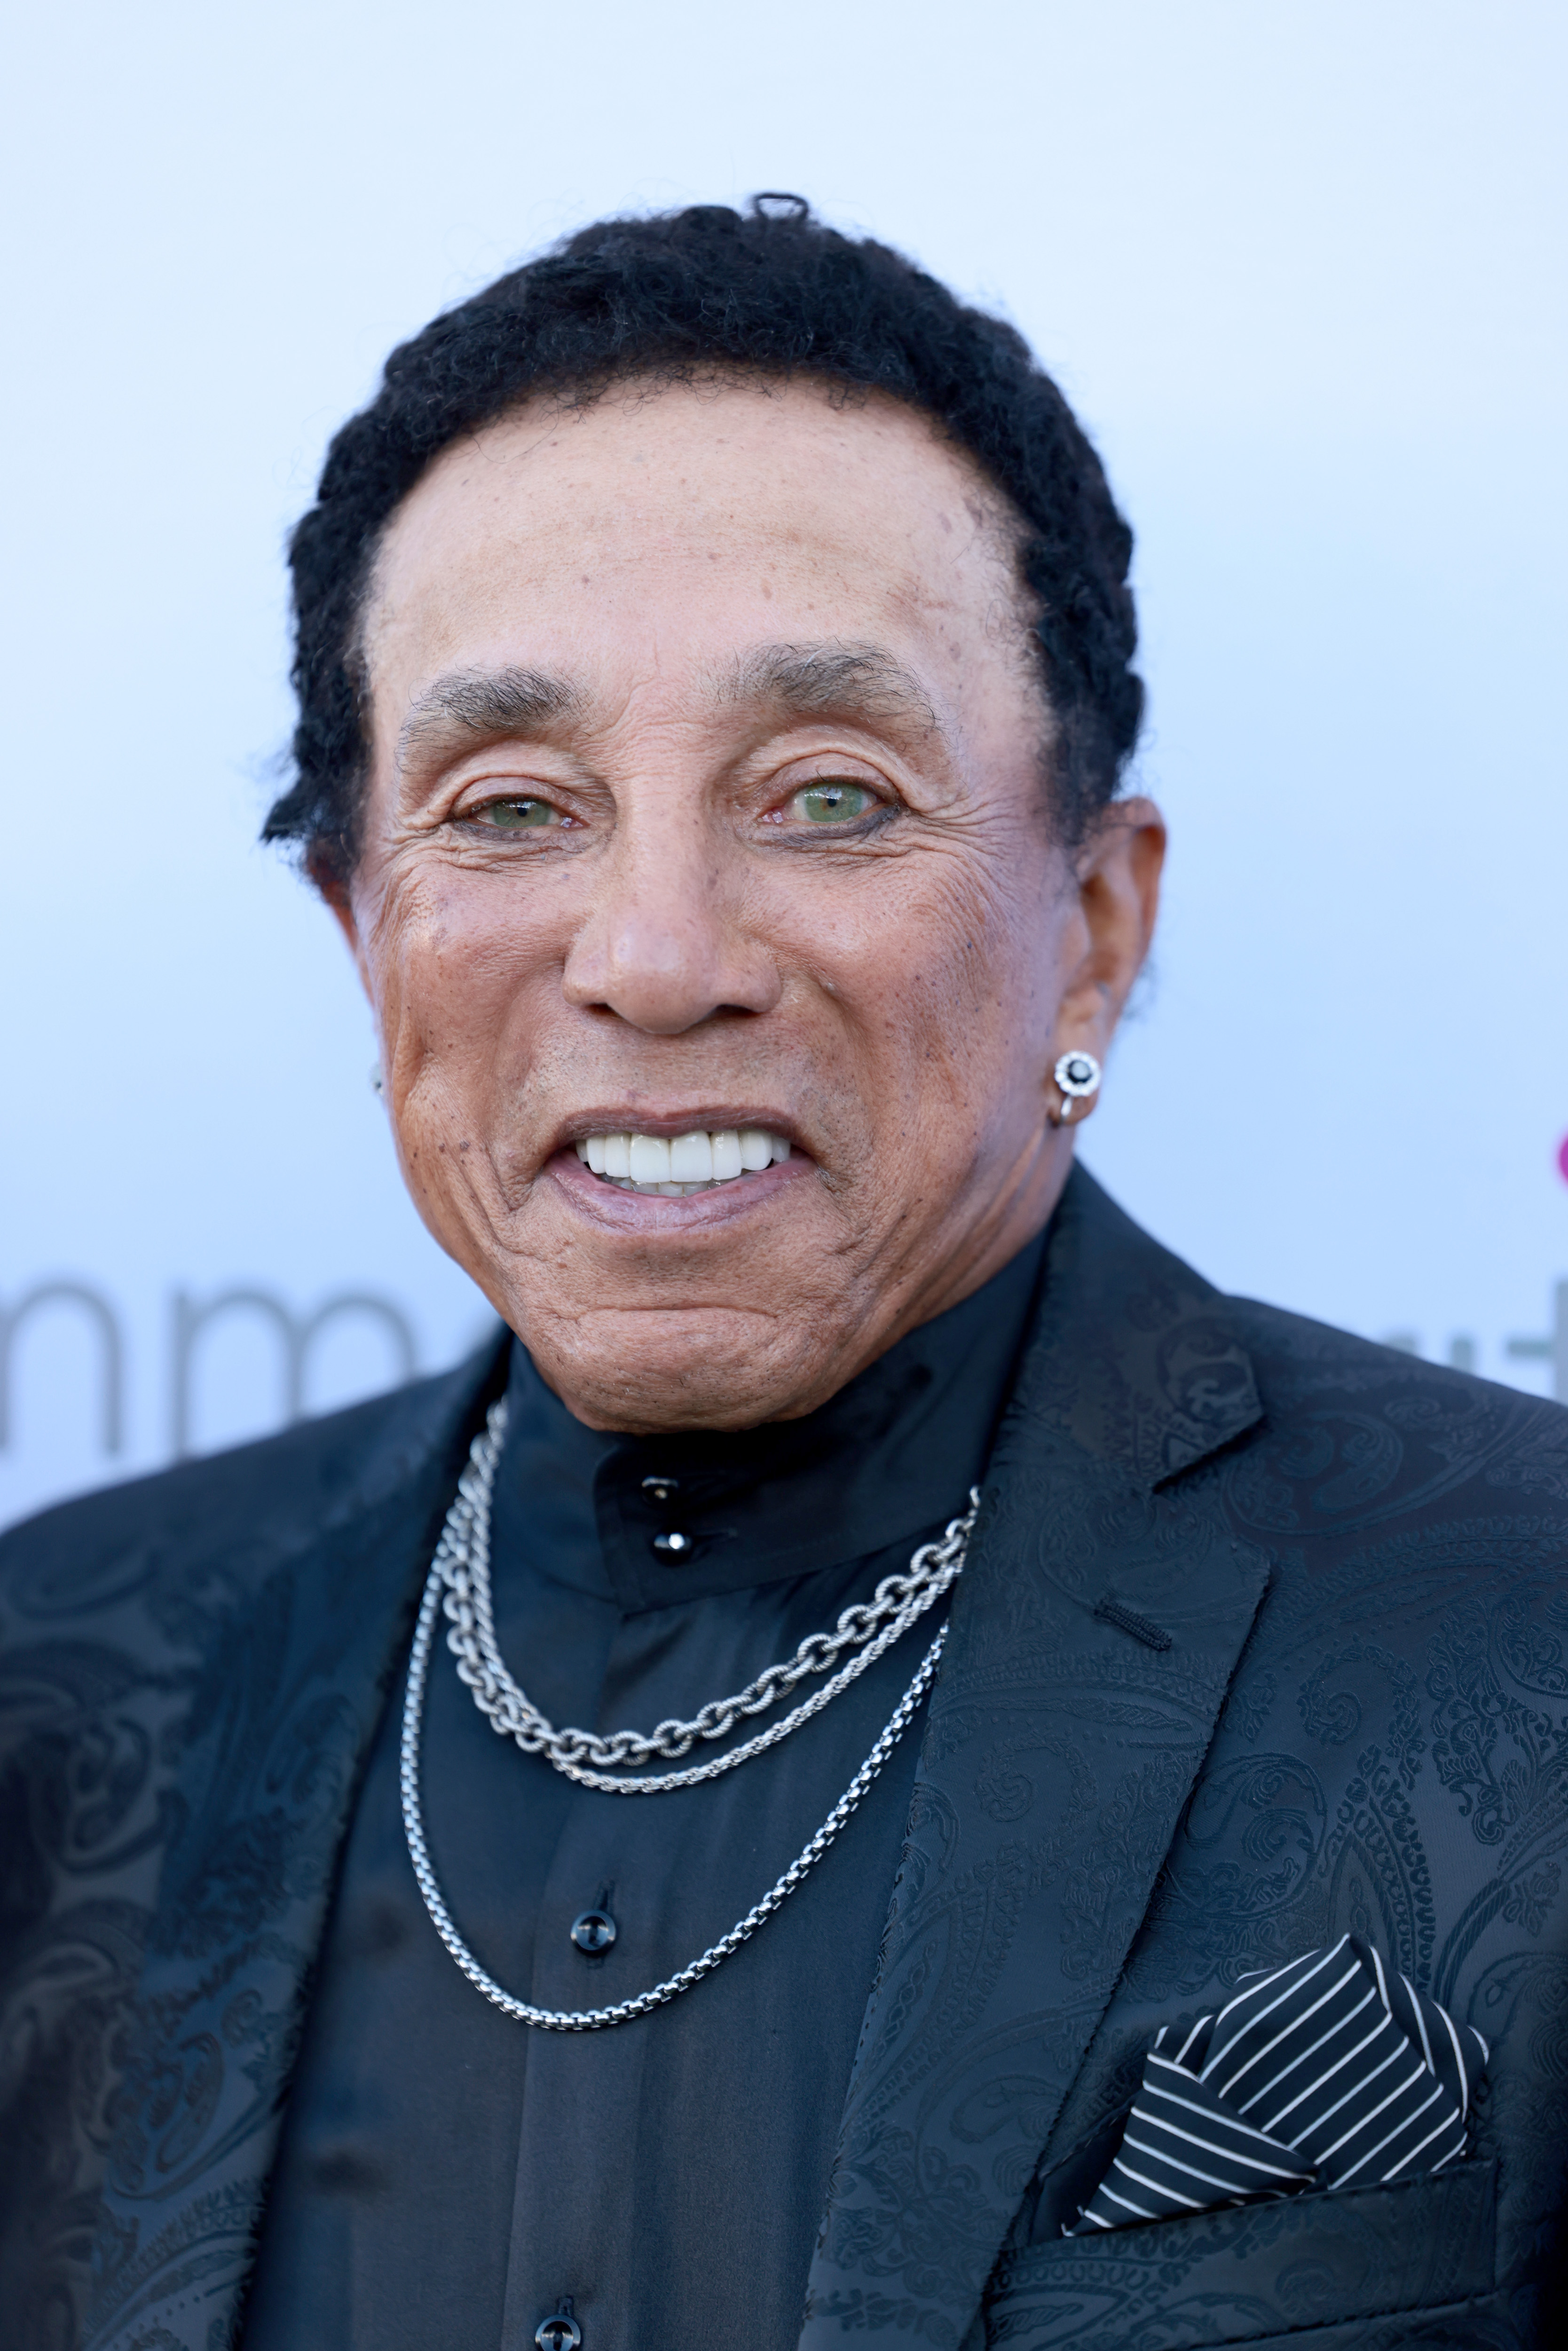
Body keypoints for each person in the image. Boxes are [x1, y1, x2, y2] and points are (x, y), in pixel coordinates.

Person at [2, 197, 1564, 2351]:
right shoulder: (60, 1683)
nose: (656, 958)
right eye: (513, 804)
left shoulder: (1527, 1629)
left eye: (830, 794)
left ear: (1096, 922)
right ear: (366, 940)